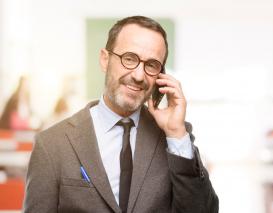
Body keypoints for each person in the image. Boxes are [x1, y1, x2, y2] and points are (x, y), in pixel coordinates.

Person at [24, 16, 218, 213]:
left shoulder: (174, 139)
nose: (139, 76)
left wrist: (176, 135)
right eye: (129, 59)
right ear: (105, 60)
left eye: (151, 65)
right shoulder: (52, 144)